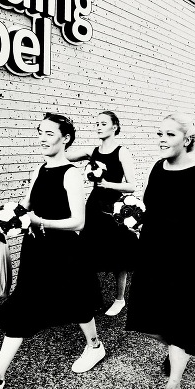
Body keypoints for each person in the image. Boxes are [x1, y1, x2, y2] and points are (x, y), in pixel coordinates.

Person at [0, 113, 104, 389]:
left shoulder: (71, 173)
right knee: (25, 307)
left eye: (49, 133)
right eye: (40, 132)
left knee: (77, 301)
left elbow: (78, 222)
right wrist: (5, 220)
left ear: (66, 139)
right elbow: (26, 205)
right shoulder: (41, 169)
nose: (42, 137)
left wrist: (39, 221)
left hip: (64, 251)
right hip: (36, 250)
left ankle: (95, 347)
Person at [126, 113, 195, 389]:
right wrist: (134, 220)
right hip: (152, 257)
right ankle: (174, 351)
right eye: (159, 133)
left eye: (170, 134)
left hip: (189, 262)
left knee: (180, 324)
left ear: (187, 139)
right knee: (152, 322)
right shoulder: (157, 168)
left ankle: (173, 383)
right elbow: (152, 211)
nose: (162, 139)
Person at [67, 110, 139, 317]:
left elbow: (132, 186)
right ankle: (91, 298)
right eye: (96, 123)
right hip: (94, 206)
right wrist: (64, 137)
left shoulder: (121, 151)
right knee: (87, 252)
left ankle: (120, 299)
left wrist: (107, 183)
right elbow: (66, 155)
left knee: (119, 255)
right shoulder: (94, 151)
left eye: (103, 123)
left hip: (114, 208)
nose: (98, 126)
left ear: (114, 126)